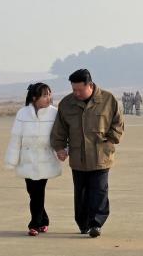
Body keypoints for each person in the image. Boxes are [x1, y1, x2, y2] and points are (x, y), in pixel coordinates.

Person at [51, 69, 124, 238]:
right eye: (73, 89)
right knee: (81, 192)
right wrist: (60, 148)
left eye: (79, 90)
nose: (76, 93)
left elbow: (118, 122)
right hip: (78, 157)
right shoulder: (67, 104)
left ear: (90, 85)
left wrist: (111, 139)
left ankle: (96, 224)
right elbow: (59, 130)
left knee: (99, 190)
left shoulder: (108, 99)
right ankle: (83, 224)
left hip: (101, 155)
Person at [5, 82, 61, 236]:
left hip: (45, 159)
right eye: (44, 95)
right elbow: (16, 138)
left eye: (49, 94)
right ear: (34, 97)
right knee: (32, 191)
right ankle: (44, 220)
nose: (48, 98)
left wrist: (62, 151)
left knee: (38, 191)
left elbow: (60, 136)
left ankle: (34, 224)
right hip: (27, 159)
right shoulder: (22, 114)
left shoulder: (54, 113)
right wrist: (12, 160)